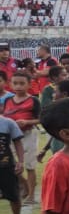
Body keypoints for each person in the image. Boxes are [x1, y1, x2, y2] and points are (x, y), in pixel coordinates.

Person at [3, 71, 41, 203]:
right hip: (11, 137)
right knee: (12, 164)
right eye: (15, 83)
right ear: (10, 84)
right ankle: (24, 185)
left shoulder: (33, 100)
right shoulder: (8, 100)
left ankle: (31, 196)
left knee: (30, 165)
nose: (18, 86)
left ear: (29, 84)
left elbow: (41, 119)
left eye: (22, 83)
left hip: (28, 135)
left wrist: (27, 122)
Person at [0, 109, 25, 214]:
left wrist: (20, 161)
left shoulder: (8, 123)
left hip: (6, 165)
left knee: (13, 194)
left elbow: (18, 142)